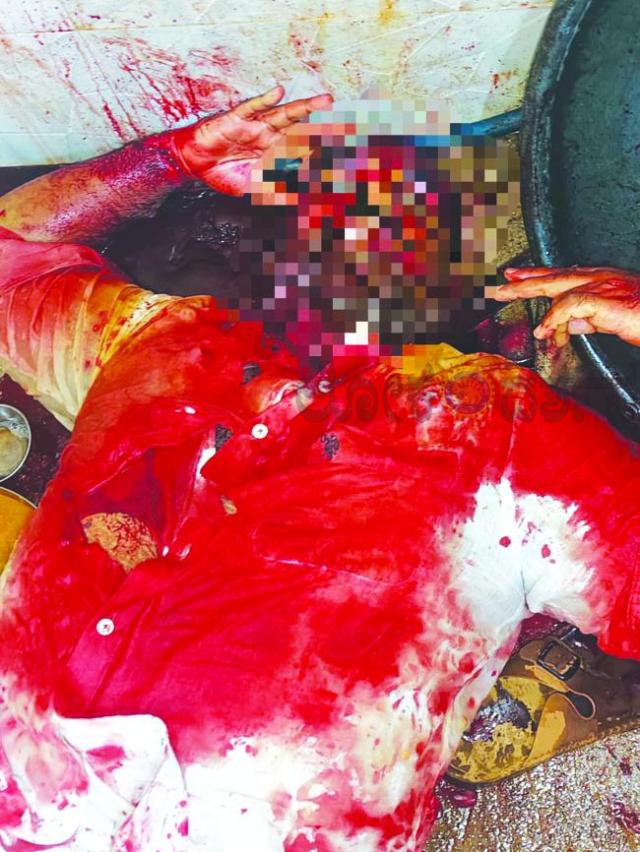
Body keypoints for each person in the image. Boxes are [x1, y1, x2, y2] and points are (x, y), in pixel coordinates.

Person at [0, 86, 640, 851]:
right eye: (319, 205)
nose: (354, 235)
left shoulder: (499, 430)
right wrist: (167, 160)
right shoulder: (160, 347)